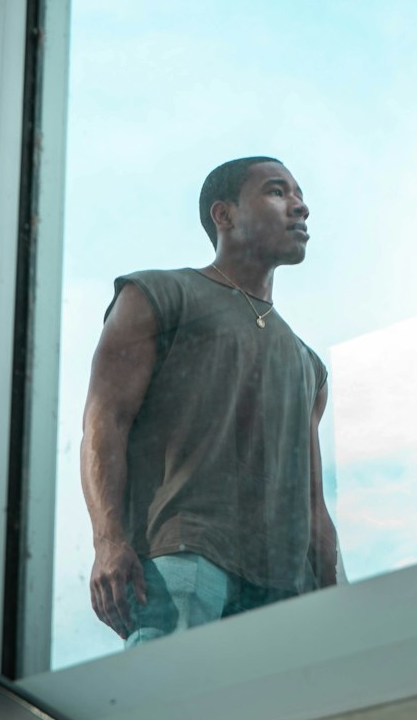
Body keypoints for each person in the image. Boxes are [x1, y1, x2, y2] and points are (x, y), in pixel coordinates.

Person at [81, 155, 338, 644]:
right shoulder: (157, 294)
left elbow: (313, 502)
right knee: (162, 713)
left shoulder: (309, 365)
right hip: (181, 560)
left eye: (300, 195)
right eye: (278, 192)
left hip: (286, 590)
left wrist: (332, 587)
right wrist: (109, 542)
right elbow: (104, 424)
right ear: (226, 215)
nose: (300, 207)